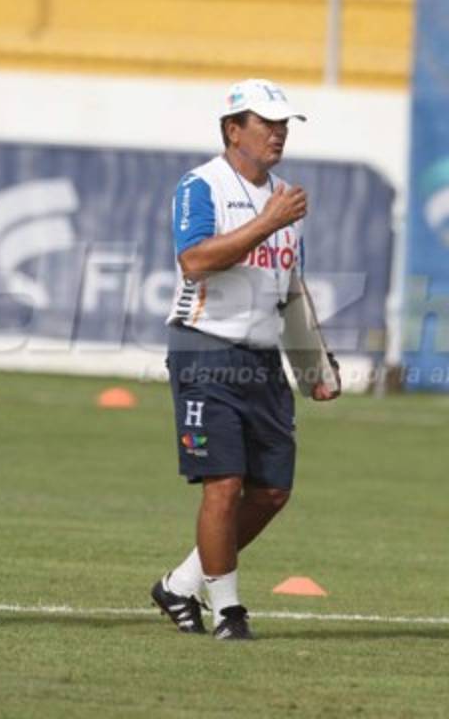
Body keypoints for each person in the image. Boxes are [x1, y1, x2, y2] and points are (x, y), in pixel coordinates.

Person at [150, 78, 338, 640]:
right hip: (204, 347)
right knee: (224, 485)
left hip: (262, 359)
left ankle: (181, 584)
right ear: (234, 129)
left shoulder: (286, 199)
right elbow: (194, 260)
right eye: (267, 123)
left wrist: (313, 365)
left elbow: (290, 286)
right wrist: (267, 222)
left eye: (284, 124)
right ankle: (228, 612)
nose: (279, 133)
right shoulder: (201, 185)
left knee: (272, 491)